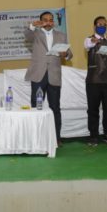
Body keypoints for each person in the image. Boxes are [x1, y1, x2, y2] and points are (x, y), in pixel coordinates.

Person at [25, 11, 72, 141]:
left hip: (54, 75)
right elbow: (27, 35)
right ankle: (36, 138)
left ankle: (56, 138)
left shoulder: (61, 35)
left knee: (55, 107)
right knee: (36, 106)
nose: (48, 22)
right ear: (41, 21)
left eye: (51, 20)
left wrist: (65, 54)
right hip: (38, 74)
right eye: (45, 20)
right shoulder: (35, 33)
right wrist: (32, 26)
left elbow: (69, 53)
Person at [84, 16, 107, 146]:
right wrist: (94, 41)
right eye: (100, 24)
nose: (102, 26)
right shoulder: (89, 39)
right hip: (93, 80)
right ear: (95, 26)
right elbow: (87, 45)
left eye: (104, 24)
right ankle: (93, 136)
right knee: (93, 110)